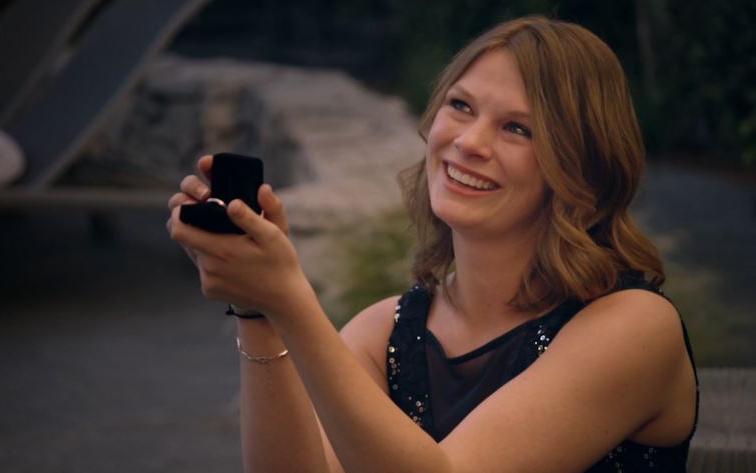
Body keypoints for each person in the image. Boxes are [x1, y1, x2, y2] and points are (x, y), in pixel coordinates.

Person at [167, 15, 698, 473]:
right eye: (461, 106)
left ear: (580, 166)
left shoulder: (633, 327)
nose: (468, 142)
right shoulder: (388, 330)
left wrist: (293, 301)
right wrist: (259, 312)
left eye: (517, 129)